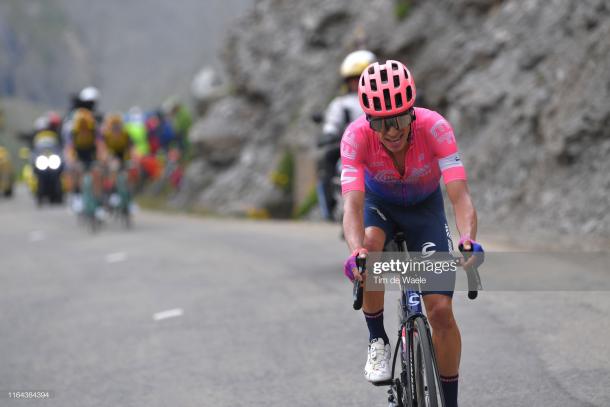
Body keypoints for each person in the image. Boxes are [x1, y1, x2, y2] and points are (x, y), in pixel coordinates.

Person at [341, 60, 484, 407]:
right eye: (381, 123)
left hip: (425, 210)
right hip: (380, 206)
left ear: (412, 114)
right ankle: (377, 340)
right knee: (371, 250)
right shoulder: (355, 137)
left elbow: (460, 196)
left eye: (400, 120)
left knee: (439, 312)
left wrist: (467, 240)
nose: (391, 132)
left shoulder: (435, 128)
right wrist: (356, 250)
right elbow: (353, 207)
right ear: (368, 121)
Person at [317, 50, 376, 220]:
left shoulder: (383, 96)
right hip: (350, 145)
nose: (357, 83)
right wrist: (329, 134)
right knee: (328, 159)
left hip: (382, 142)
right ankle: (331, 205)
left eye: (361, 78)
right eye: (354, 79)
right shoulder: (340, 104)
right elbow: (332, 123)